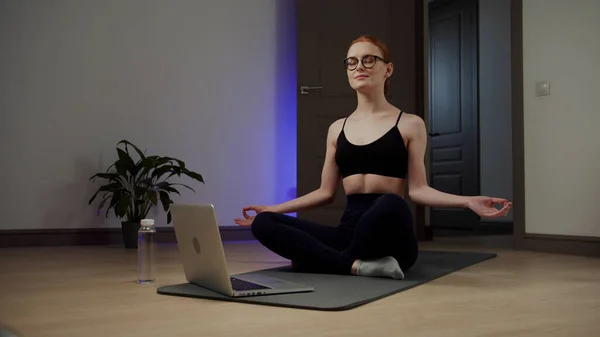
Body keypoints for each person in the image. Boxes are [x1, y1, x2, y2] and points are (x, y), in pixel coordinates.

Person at [234, 35, 511, 280]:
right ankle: (354, 266)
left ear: (387, 69)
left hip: (390, 235)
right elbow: (324, 193)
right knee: (265, 224)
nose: (359, 67)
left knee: (389, 202)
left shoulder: (409, 123)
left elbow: (418, 191)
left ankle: (322, 260)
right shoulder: (337, 128)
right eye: (352, 62)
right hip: (349, 235)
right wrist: (272, 209)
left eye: (369, 60)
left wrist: (468, 202)